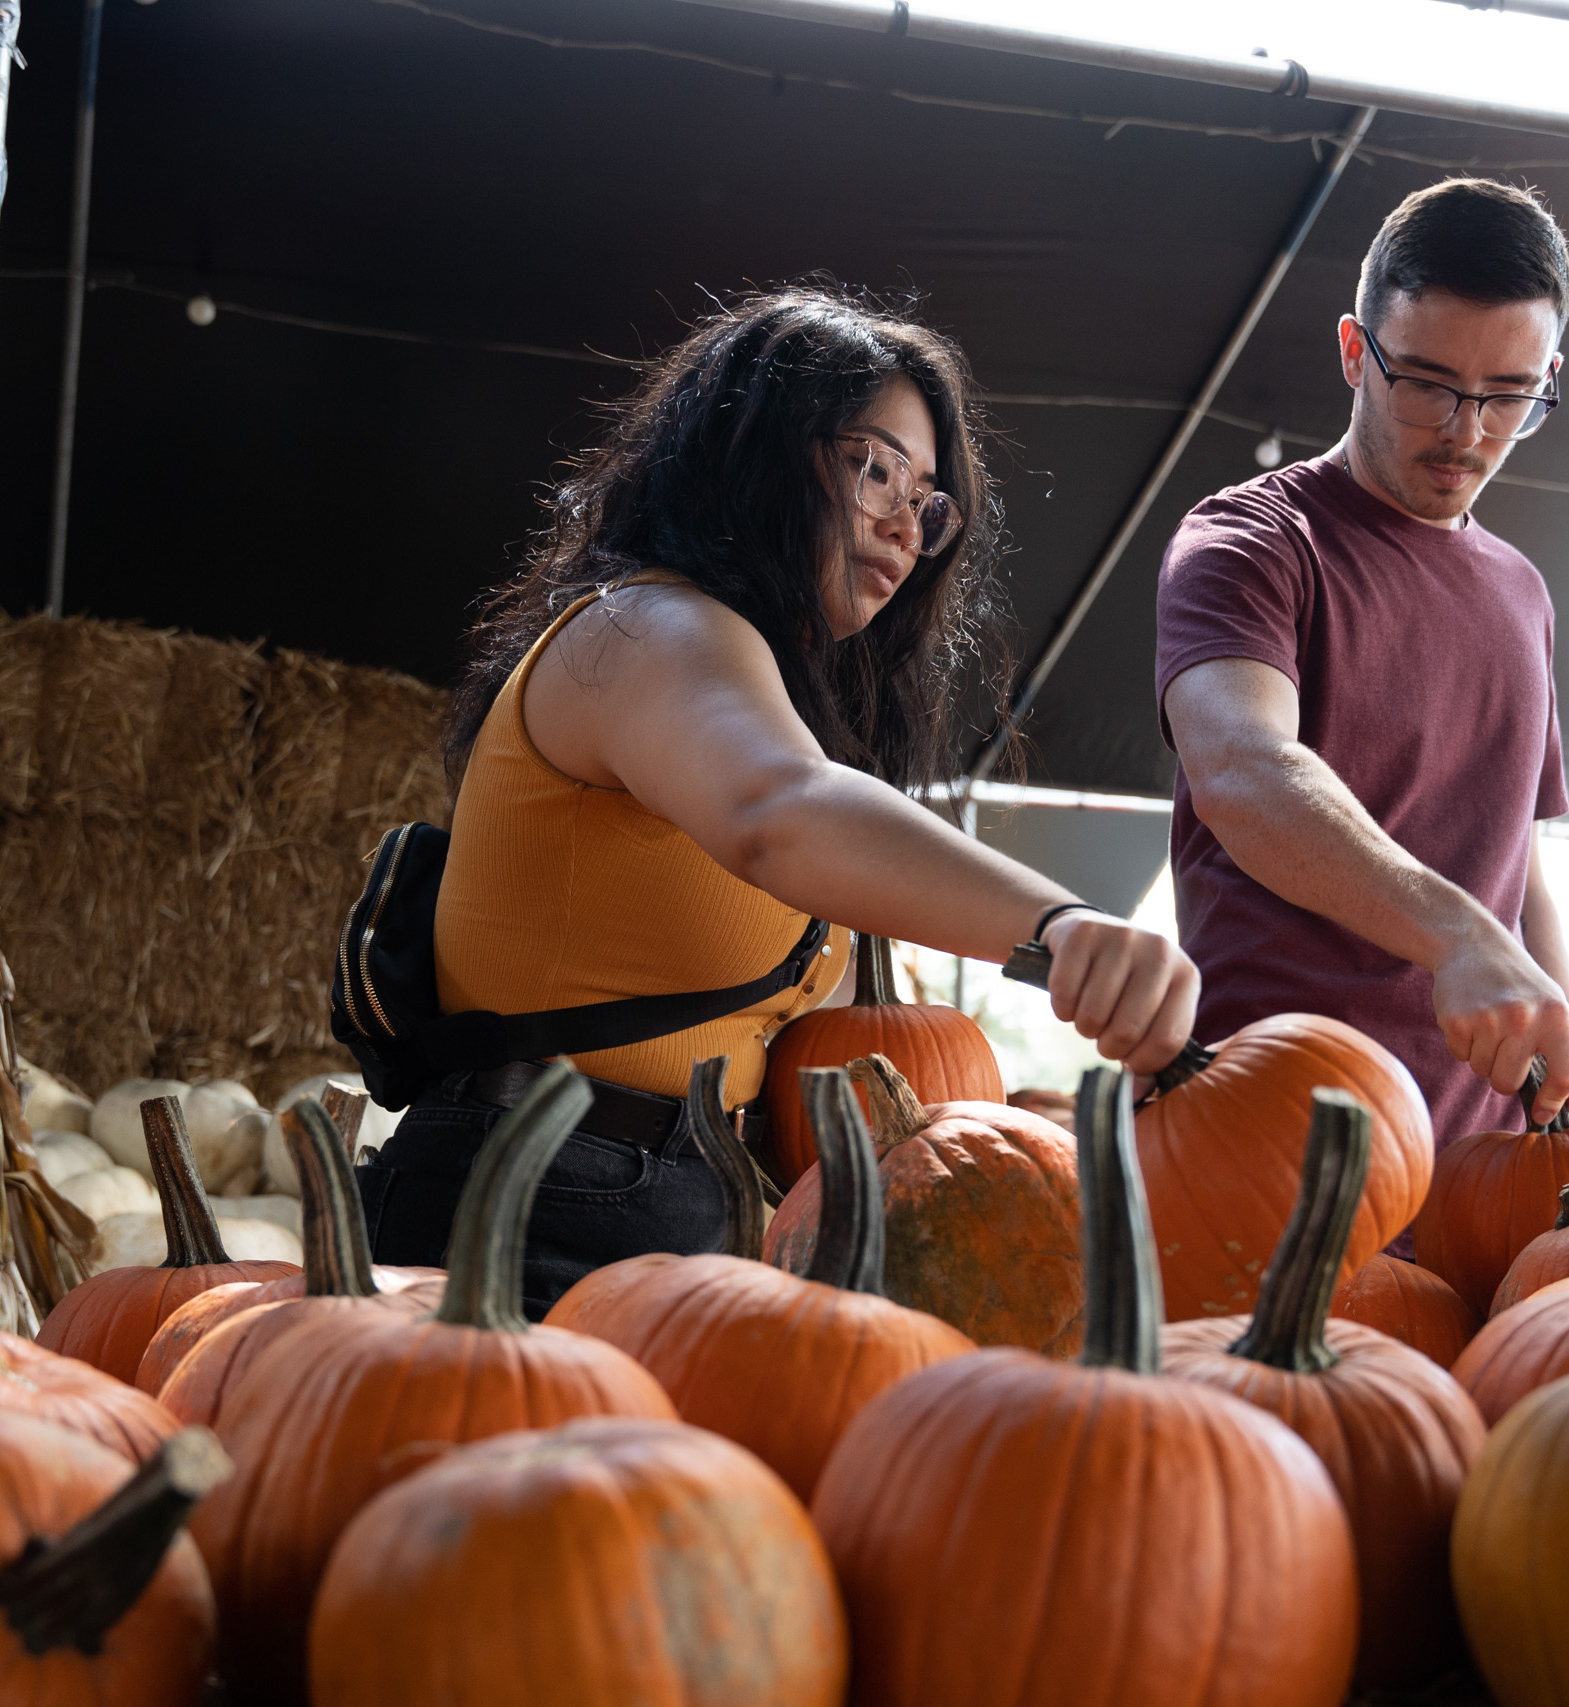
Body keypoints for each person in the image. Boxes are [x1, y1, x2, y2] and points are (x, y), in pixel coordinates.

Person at [362, 287, 1199, 1312]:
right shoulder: (646, 630)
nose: (906, 524)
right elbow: (783, 811)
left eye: (929, 500)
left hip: (658, 1202)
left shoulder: (742, 678)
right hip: (536, 1199)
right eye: (876, 468)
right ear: (754, 452)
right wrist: (1059, 926)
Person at [1155, 177, 1569, 1151]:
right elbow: (1244, 772)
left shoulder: (1523, 591)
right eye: (1428, 384)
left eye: (1509, 396)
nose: (1465, 431)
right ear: (1354, 351)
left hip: (1484, 1162)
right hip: (1273, 1132)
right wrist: (1459, 935)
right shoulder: (1251, 541)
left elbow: (1515, 869)